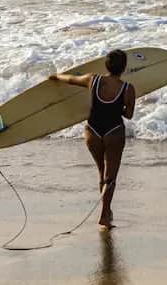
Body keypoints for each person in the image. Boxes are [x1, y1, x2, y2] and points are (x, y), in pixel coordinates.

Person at [50, 49, 135, 230]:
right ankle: (104, 214)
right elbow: (128, 114)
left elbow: (71, 79)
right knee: (110, 177)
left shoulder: (92, 80)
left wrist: (56, 76)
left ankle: (107, 210)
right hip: (113, 132)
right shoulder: (127, 89)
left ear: (106, 65)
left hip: (92, 131)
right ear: (124, 67)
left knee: (101, 172)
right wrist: (117, 106)